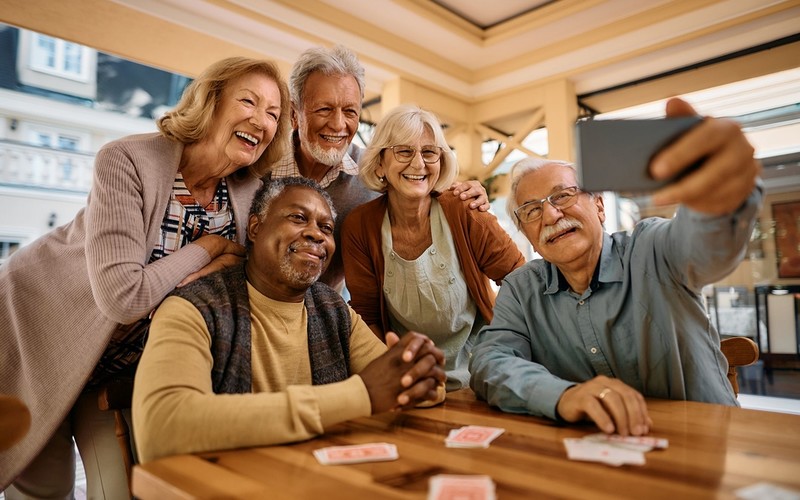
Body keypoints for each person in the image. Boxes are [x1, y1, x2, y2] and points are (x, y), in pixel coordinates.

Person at [0, 57, 292, 498]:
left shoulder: (248, 195)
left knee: (123, 489)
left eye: (273, 113)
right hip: (40, 330)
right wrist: (208, 250)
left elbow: (236, 288)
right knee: (46, 487)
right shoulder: (127, 159)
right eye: (248, 101)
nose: (261, 120)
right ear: (210, 103)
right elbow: (123, 297)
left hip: (121, 365)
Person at [469, 97, 762, 437]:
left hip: (699, 446)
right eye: (532, 211)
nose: (550, 215)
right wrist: (562, 395)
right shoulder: (521, 289)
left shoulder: (652, 249)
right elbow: (490, 362)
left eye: (562, 195)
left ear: (599, 206)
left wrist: (720, 198)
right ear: (530, 238)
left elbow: (706, 247)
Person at [132, 177, 445, 461]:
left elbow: (403, 386)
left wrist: (421, 371)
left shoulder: (332, 309)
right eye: (298, 218)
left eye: (326, 228)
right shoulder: (193, 308)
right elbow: (163, 426)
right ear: (255, 228)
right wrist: (360, 395)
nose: (315, 234)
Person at [269, 45, 490, 290]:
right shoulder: (259, 166)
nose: (338, 124)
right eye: (325, 109)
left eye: (350, 111)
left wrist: (468, 194)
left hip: (326, 313)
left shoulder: (376, 169)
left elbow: (423, 189)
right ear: (293, 114)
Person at [342, 104, 525, 391]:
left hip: (482, 373)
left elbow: (520, 279)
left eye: (429, 152)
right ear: (379, 163)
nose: (419, 164)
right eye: (404, 151)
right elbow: (368, 317)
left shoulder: (464, 208)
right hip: (410, 378)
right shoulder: (359, 226)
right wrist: (397, 374)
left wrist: (499, 347)